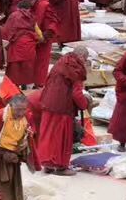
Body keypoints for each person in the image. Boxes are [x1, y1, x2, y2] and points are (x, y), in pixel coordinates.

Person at [35, 46, 90, 174]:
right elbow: (76, 93)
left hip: (48, 102)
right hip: (62, 106)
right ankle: (61, 167)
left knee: (48, 134)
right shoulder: (75, 68)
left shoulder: (62, 61)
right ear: (81, 57)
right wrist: (85, 104)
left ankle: (47, 164)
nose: (85, 63)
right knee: (61, 137)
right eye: (85, 60)